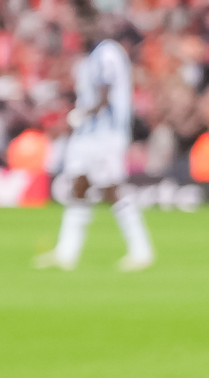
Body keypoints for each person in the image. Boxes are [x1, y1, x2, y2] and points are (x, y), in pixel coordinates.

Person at [38, 19, 153, 273]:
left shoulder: (107, 52)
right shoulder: (93, 56)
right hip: (90, 135)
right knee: (79, 185)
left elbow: (104, 96)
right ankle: (67, 253)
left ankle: (141, 250)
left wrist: (78, 116)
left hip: (105, 135)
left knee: (112, 189)